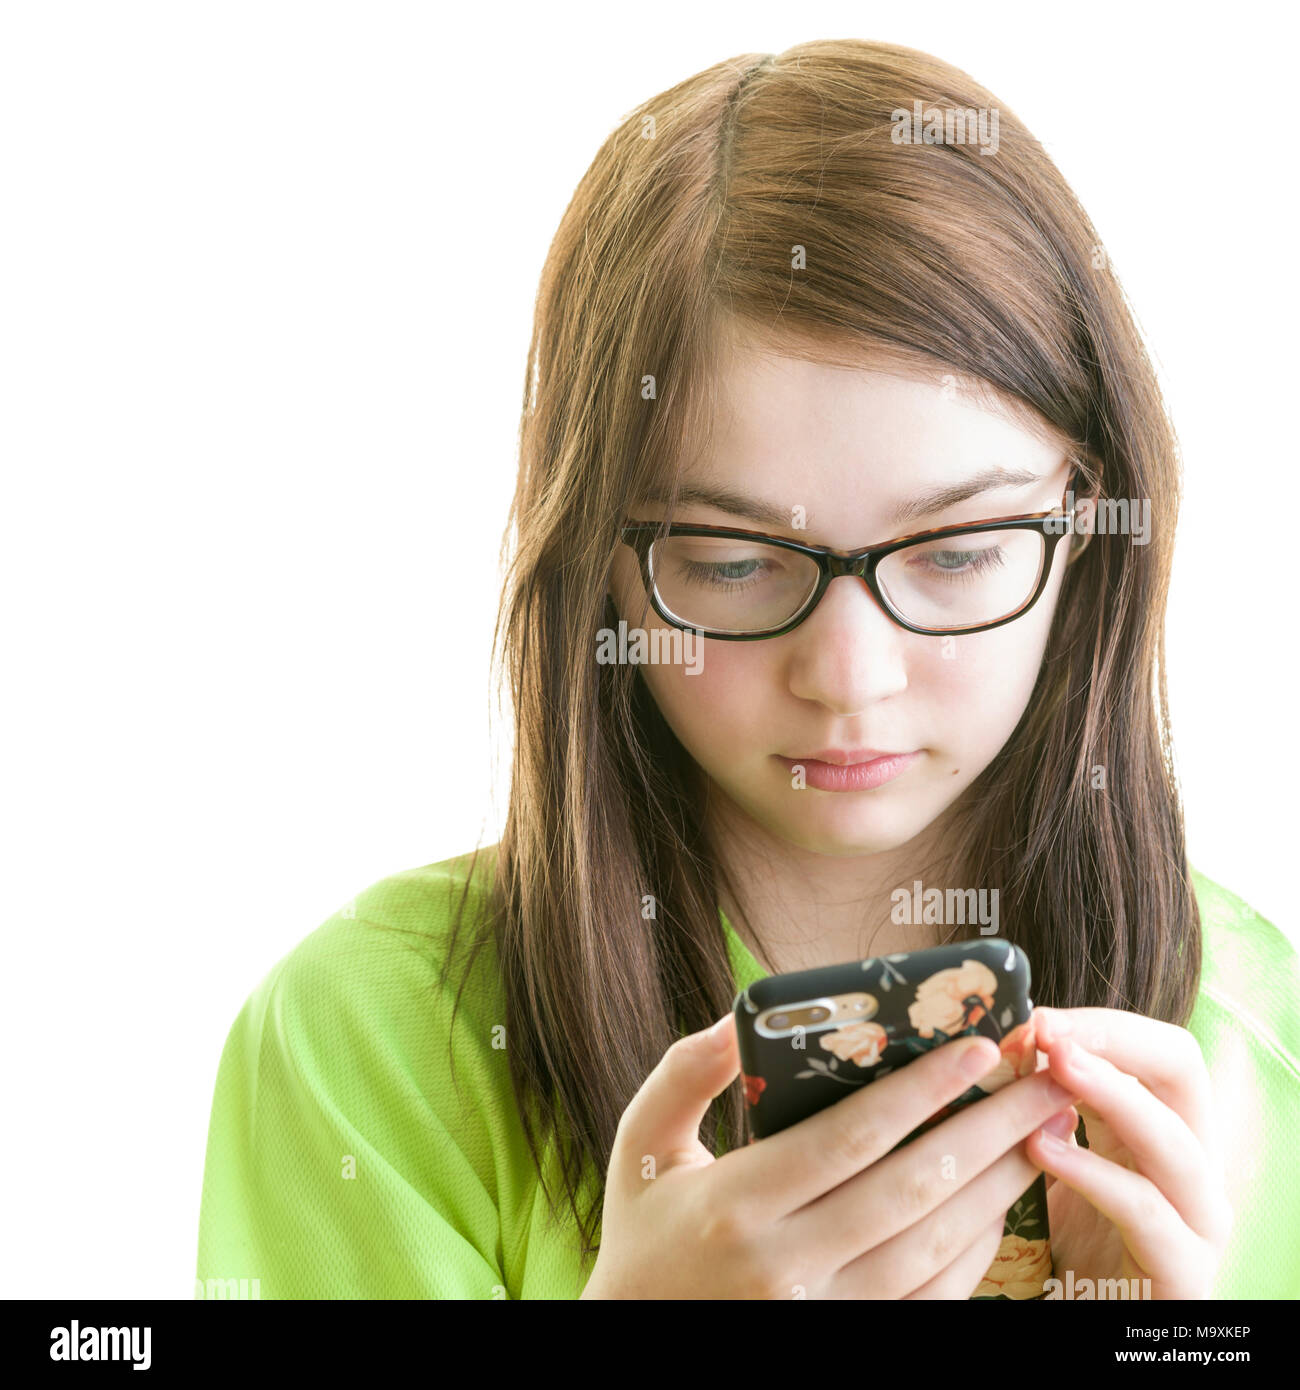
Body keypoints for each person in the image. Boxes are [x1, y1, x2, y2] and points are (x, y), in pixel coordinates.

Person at [195, 38, 1299, 1300]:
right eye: (729, 564)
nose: (849, 675)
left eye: (957, 552)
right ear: (594, 560)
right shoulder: (370, 1042)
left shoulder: (1272, 1043)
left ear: (1090, 521)